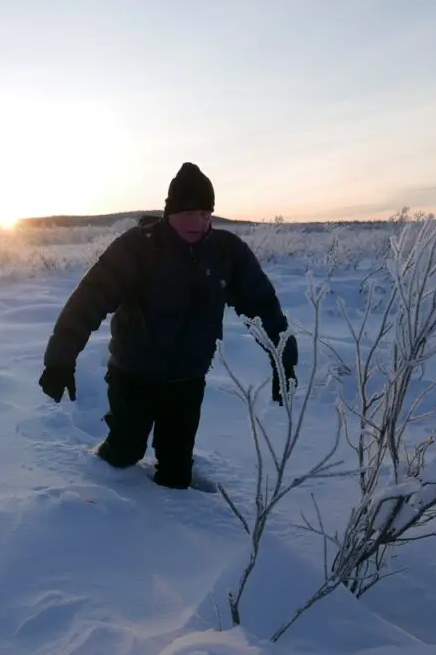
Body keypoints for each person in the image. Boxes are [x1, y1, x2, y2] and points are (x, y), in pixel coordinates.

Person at [37, 162, 298, 490]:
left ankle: (173, 532)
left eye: (206, 214)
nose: (198, 222)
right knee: (123, 453)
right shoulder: (139, 246)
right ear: (169, 212)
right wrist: (60, 360)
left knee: (176, 471)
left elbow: (262, 305)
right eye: (189, 212)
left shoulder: (226, 253)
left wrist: (282, 358)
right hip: (132, 375)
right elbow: (89, 300)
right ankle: (100, 504)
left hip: (188, 380)